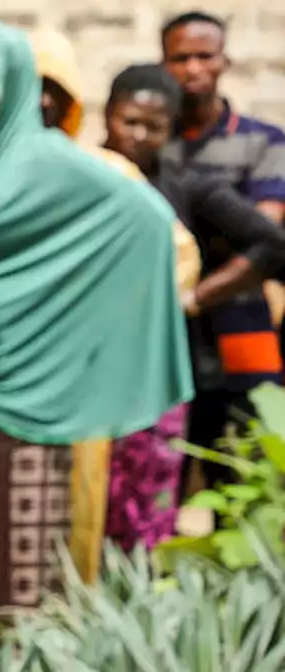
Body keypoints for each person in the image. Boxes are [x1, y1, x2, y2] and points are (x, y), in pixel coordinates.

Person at [0, 18, 192, 667]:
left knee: (7, 572)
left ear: (11, 92)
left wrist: (70, 326)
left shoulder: (52, 163)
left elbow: (146, 225)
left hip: (22, 402)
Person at [30, 29, 201, 577]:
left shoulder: (106, 174)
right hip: (17, 376)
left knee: (107, 507)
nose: (39, 104)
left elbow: (180, 260)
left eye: (54, 91)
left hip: (105, 375)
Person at [104, 64, 285, 545]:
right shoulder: (88, 173)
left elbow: (271, 243)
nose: (139, 135)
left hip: (166, 367)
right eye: (129, 121)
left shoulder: (187, 186)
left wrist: (192, 298)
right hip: (95, 363)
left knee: (155, 497)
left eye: (154, 126)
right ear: (107, 116)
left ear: (171, 129)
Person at [161, 11, 285, 487]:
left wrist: (192, 298)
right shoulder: (155, 138)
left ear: (223, 61)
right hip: (170, 341)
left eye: (203, 56)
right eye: (180, 58)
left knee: (242, 481)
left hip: (242, 332)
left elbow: (267, 243)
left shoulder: (263, 141)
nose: (192, 68)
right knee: (159, 479)